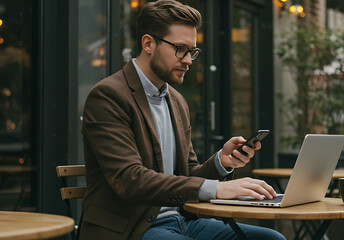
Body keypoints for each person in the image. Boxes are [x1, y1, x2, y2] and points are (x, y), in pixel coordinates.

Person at [79, 0, 285, 239]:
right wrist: (218, 188)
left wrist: (222, 162)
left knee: (272, 238)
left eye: (192, 51)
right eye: (180, 49)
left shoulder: (176, 101)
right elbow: (130, 180)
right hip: (132, 228)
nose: (188, 60)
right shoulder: (109, 96)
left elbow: (187, 174)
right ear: (148, 43)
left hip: (182, 222)